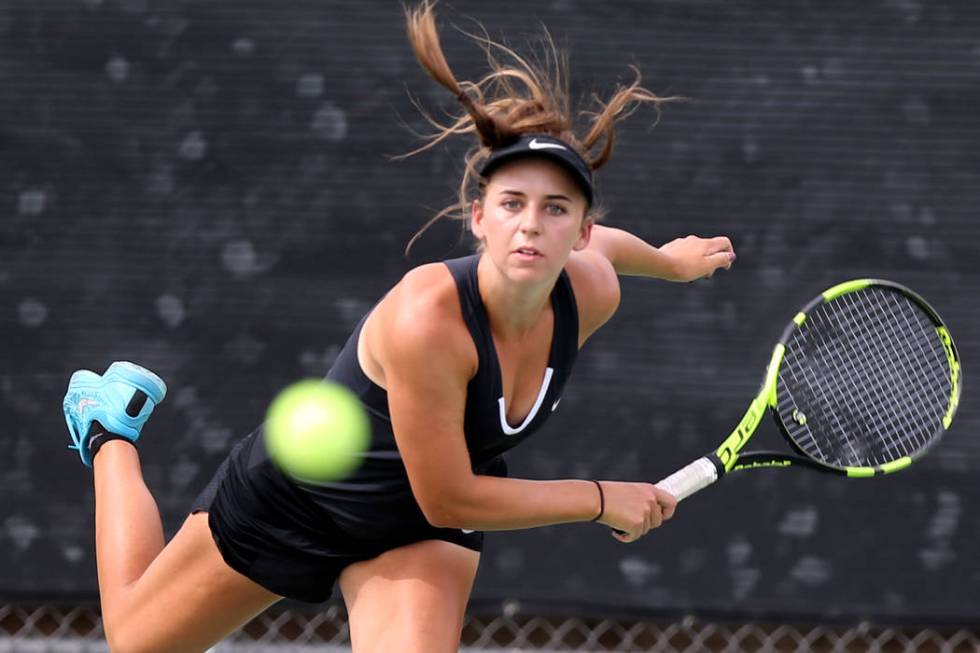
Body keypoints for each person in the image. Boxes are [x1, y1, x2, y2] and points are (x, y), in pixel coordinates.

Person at [60, 3, 736, 652]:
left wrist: (670, 263)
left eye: (556, 209)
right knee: (136, 641)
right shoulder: (427, 317)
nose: (531, 223)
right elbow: (448, 496)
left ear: (579, 230)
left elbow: (609, 250)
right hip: (309, 500)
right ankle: (108, 429)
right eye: (511, 204)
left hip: (417, 527)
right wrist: (597, 499)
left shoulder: (592, 290)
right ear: (480, 218)